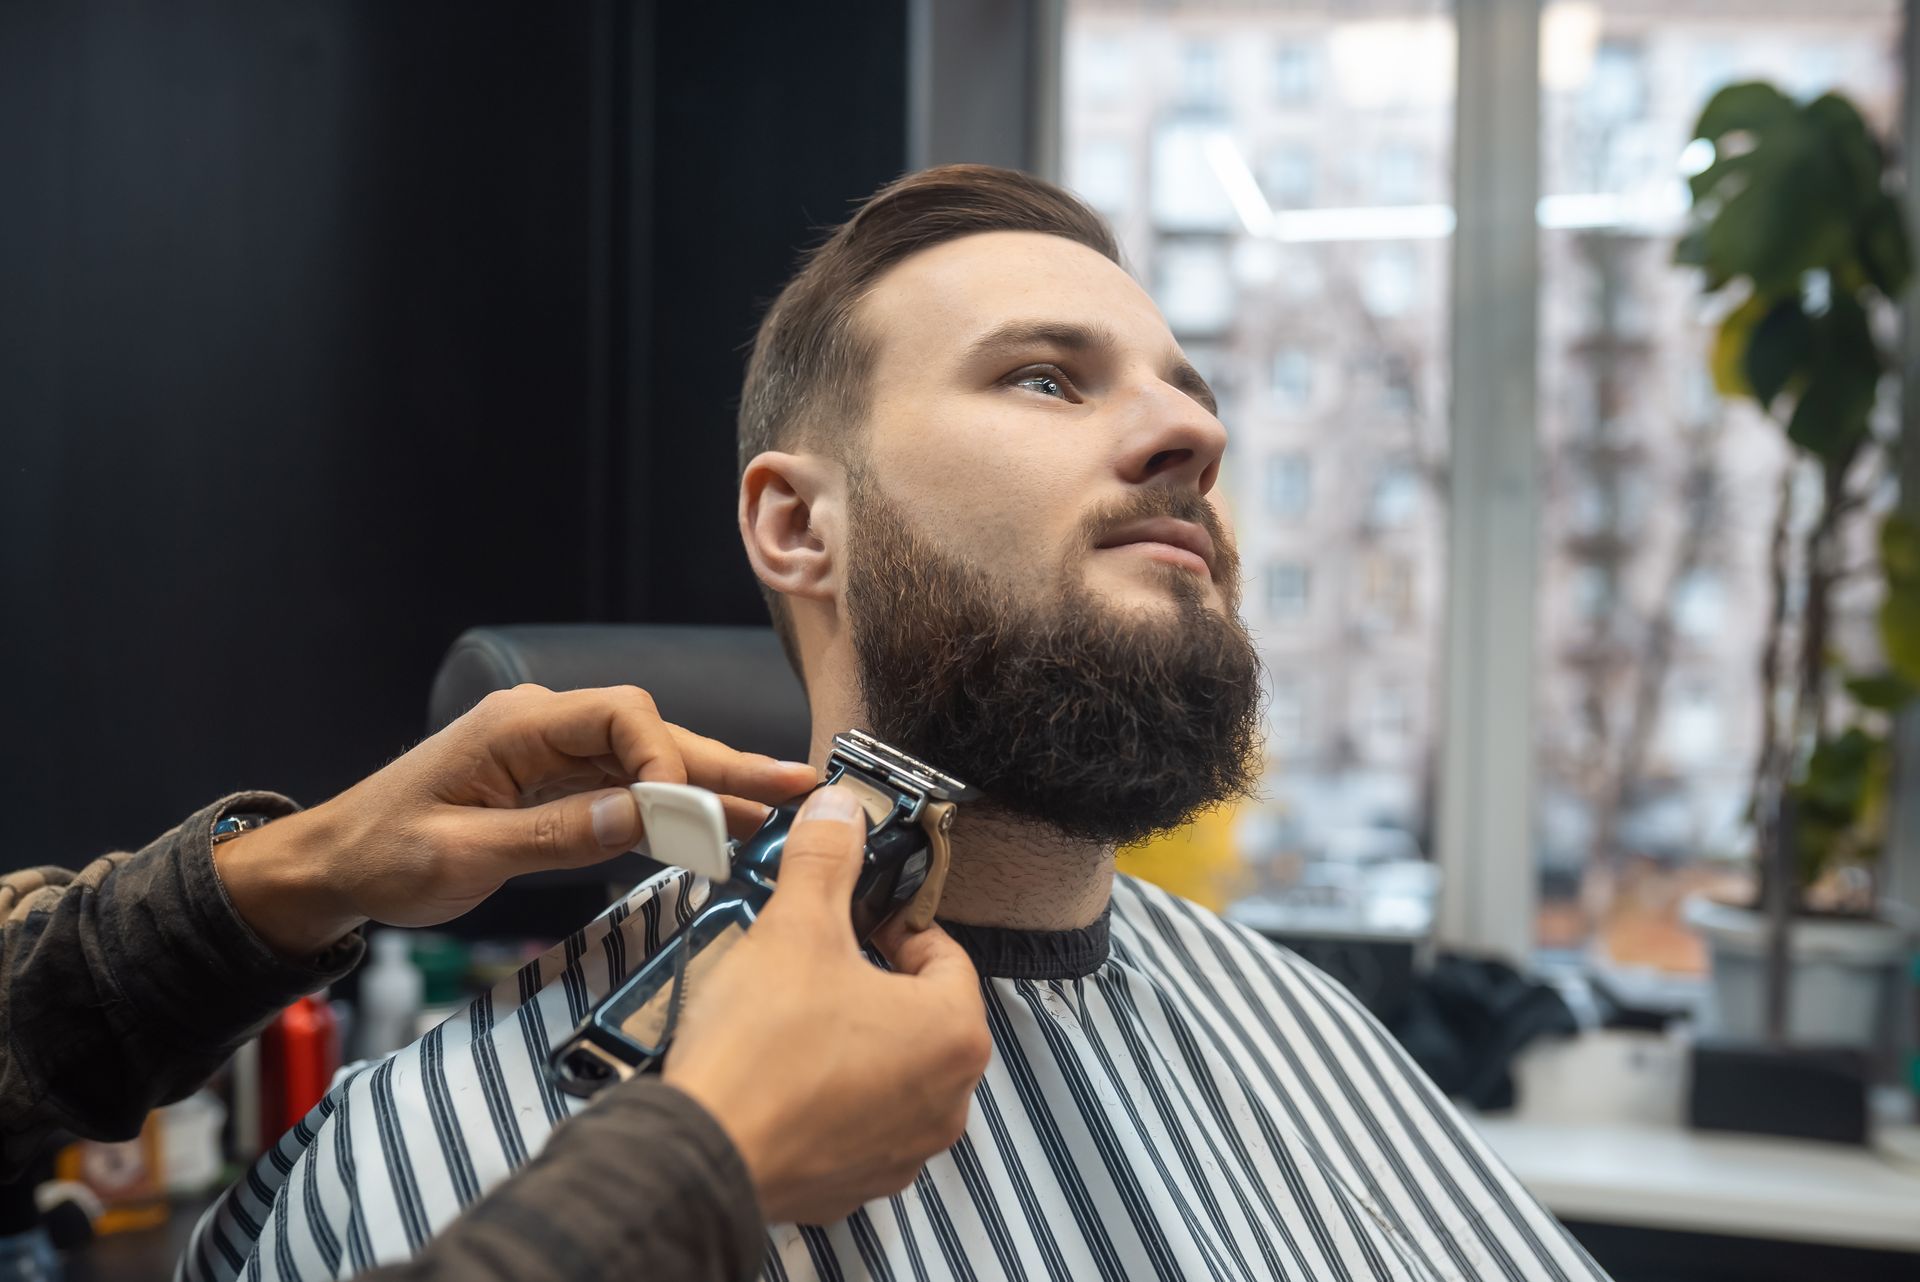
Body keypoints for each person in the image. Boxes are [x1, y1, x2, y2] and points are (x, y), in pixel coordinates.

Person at [191, 165, 1610, 1282]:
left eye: (1191, 391)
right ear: (800, 523)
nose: (1194, 437)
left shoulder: (1303, 1028)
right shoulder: (459, 1164)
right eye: (1046, 376)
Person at [0, 684, 987, 1282]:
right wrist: (703, 1156)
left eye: (1155, 371)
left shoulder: (1154, 952)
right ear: (794, 523)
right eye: (1042, 381)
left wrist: (307, 864)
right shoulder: (387, 1150)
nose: (1153, 417)